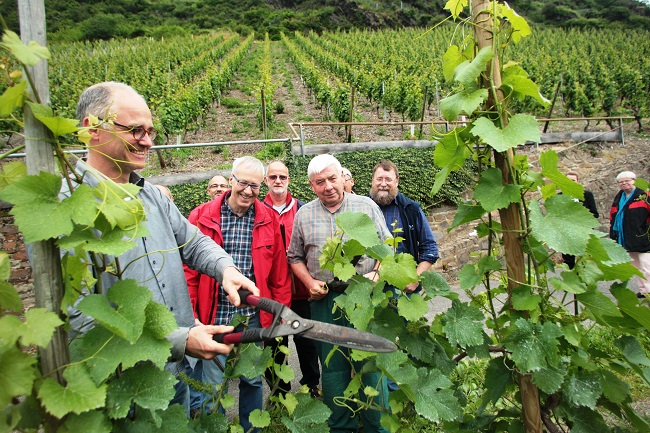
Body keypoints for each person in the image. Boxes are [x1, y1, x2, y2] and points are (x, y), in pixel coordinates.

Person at [69, 81, 259, 415]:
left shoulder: (153, 197)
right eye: (135, 130)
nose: (147, 140)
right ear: (91, 130)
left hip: (175, 374)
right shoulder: (69, 207)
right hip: (124, 386)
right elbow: (81, 321)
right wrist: (179, 340)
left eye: (151, 131)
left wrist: (226, 269)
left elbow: (195, 243)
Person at [184, 156, 291, 431]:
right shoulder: (201, 216)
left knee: (252, 379)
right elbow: (189, 273)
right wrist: (192, 313)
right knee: (212, 380)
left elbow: (279, 275)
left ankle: (250, 428)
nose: (247, 191)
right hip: (214, 313)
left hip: (253, 316)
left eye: (254, 186)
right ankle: (214, 427)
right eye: (242, 183)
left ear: (261, 187)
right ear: (231, 180)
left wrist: (279, 313)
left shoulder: (268, 219)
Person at [287, 154, 391, 433]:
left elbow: (387, 247)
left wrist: (376, 274)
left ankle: (375, 425)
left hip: (363, 296)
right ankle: (341, 426)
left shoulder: (365, 206)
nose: (328, 186)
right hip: (325, 301)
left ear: (342, 177)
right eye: (320, 182)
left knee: (371, 361)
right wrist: (309, 282)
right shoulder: (304, 214)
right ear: (311, 185)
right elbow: (294, 256)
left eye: (333, 179)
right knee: (332, 366)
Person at [263, 161, 321, 398]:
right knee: (275, 345)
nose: (278, 181)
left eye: (283, 177)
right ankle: (279, 394)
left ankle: (311, 385)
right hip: (272, 294)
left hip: (301, 291)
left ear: (289, 180)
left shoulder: (303, 209)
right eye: (273, 176)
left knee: (307, 343)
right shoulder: (258, 210)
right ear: (266, 180)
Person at [370, 160, 439, 294]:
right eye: (379, 179)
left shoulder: (411, 210)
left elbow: (430, 248)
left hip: (402, 288)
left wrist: (415, 278)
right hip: (369, 287)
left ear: (397, 181)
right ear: (372, 181)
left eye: (388, 179)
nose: (383, 184)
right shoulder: (362, 208)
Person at [609, 171, 650, 298]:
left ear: (634, 180)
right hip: (627, 237)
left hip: (643, 237)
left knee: (646, 266)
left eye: (627, 180)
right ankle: (644, 290)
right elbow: (613, 217)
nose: (624, 183)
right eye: (621, 182)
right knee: (636, 267)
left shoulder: (644, 196)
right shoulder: (619, 198)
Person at [561, 171, 599, 269]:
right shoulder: (559, 197)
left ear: (578, 181)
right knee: (568, 260)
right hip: (567, 233)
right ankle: (572, 280)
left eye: (573, 180)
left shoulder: (587, 195)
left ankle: (585, 282)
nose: (571, 182)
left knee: (585, 259)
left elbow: (594, 214)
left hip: (584, 231)